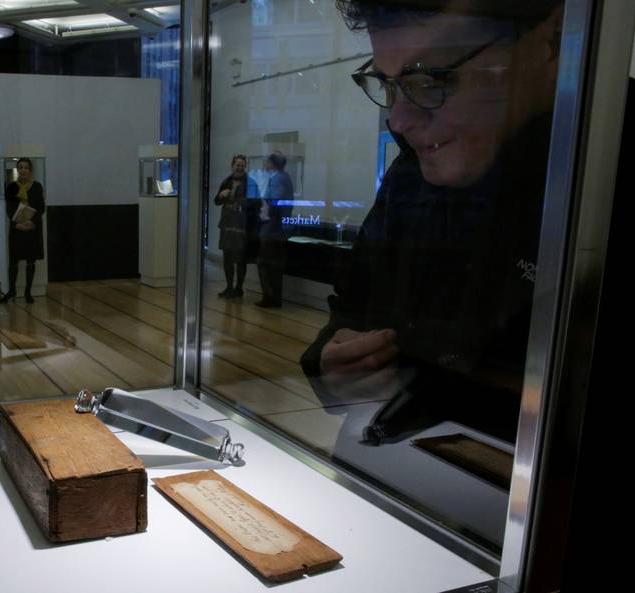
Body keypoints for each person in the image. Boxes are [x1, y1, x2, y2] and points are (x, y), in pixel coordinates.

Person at [300, 0, 563, 443]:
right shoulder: (410, 177)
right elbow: (354, 308)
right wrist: (333, 363)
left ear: (554, 43)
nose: (398, 121)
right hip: (393, 467)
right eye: (387, 85)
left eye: (431, 79)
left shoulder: (600, 168)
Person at [0, 158, 46, 304]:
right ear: (17, 170)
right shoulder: (11, 187)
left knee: (30, 261)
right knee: (13, 261)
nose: (23, 170)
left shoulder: (37, 186)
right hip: (17, 229)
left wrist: (31, 222)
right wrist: (17, 224)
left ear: (30, 170)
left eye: (26, 167)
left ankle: (28, 292)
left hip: (32, 229)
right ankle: (12, 291)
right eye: (21, 167)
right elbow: (9, 209)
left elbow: (41, 208)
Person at [214, 154, 259, 299]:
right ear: (232, 165)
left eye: (242, 165)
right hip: (227, 225)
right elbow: (216, 201)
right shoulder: (226, 181)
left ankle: (239, 288)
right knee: (227, 258)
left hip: (242, 226)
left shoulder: (251, 183)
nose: (239, 167)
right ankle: (228, 287)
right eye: (237, 165)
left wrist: (238, 199)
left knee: (240, 259)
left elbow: (256, 203)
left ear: (245, 167)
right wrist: (221, 195)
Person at [255, 152, 293, 308]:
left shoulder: (277, 179)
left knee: (265, 263)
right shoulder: (285, 177)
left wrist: (266, 210)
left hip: (272, 229)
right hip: (278, 229)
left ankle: (269, 297)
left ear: (272, 163)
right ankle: (274, 297)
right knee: (274, 265)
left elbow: (274, 202)